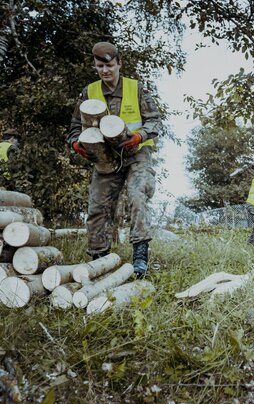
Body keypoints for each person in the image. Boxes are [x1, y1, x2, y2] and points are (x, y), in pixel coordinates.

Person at [67, 42, 162, 276]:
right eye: (100, 66)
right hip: (105, 158)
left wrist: (139, 136)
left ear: (119, 63)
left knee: (137, 196)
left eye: (109, 65)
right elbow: (75, 127)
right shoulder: (88, 92)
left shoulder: (136, 88)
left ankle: (140, 255)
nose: (105, 70)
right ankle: (100, 259)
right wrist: (76, 143)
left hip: (136, 153)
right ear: (95, 66)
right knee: (97, 206)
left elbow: (156, 121)